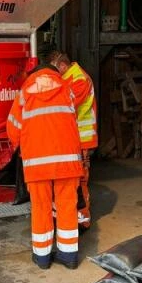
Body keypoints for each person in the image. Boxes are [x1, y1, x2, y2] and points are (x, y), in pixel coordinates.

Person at [7, 64, 83, 270]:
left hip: (37, 164)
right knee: (67, 206)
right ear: (54, 73)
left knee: (41, 208)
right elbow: (72, 118)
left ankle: (42, 257)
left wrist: (18, 146)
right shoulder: (66, 88)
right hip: (67, 162)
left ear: (34, 75)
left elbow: (13, 127)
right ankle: (69, 256)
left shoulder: (24, 93)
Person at [46, 51, 98, 230]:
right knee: (73, 180)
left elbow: (65, 104)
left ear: (62, 66)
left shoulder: (78, 79)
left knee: (80, 181)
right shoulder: (71, 78)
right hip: (74, 138)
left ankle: (82, 219)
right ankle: (73, 216)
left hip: (81, 139)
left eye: (55, 69)